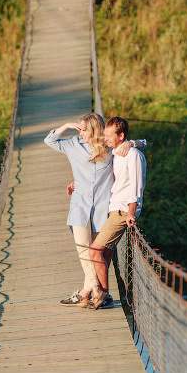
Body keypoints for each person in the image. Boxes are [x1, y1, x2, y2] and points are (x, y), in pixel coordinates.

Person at [44, 114, 144, 309]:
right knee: (84, 249)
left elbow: (142, 143)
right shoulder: (73, 144)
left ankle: (85, 293)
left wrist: (131, 143)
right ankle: (97, 289)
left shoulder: (110, 148)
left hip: (102, 207)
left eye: (83, 129)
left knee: (97, 253)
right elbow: (50, 140)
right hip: (79, 205)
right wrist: (66, 125)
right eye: (79, 129)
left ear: (94, 130)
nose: (80, 132)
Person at [86, 116, 146, 310]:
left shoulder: (133, 155)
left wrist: (131, 213)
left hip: (123, 211)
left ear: (121, 136)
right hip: (113, 208)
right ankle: (104, 295)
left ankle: (103, 295)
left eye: (109, 135)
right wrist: (132, 142)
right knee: (105, 252)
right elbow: (144, 142)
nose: (105, 139)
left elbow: (136, 187)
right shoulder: (116, 150)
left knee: (94, 251)